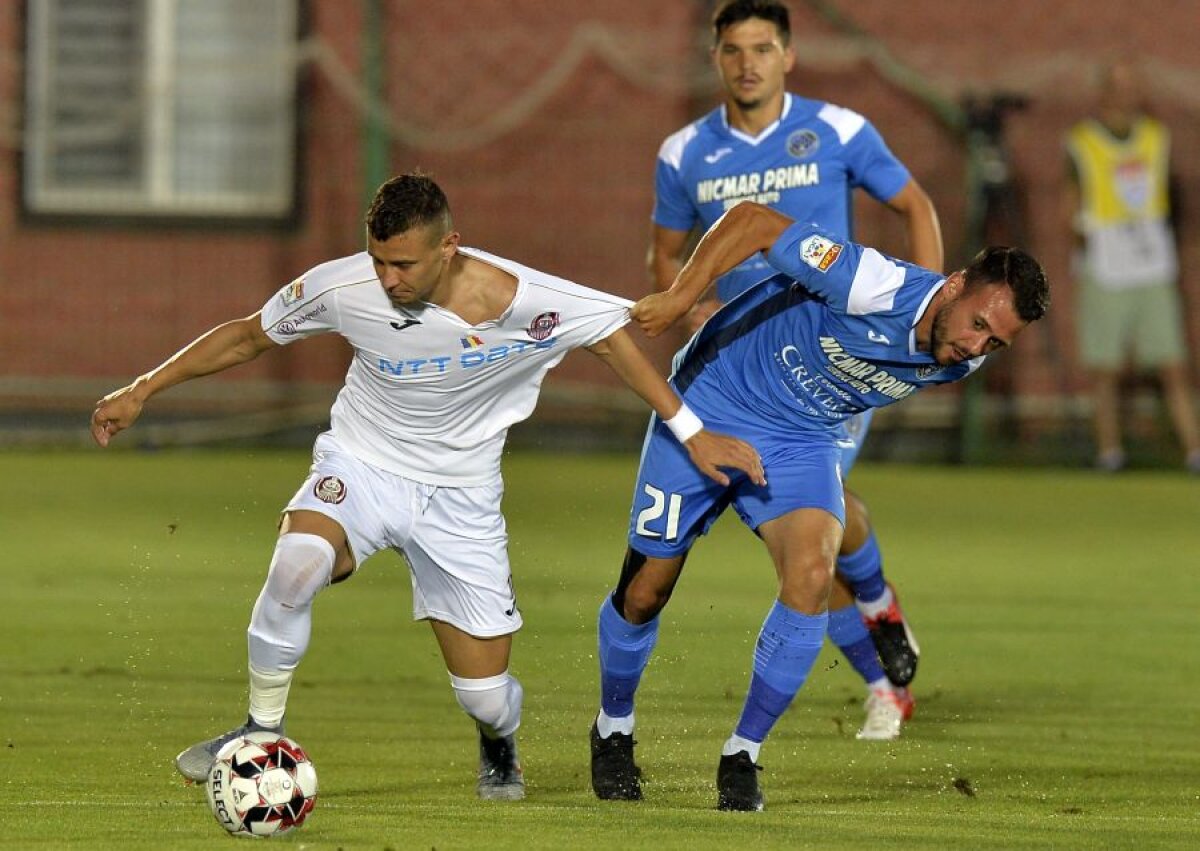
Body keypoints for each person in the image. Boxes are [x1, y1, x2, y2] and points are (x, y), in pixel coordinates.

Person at [89, 172, 764, 801]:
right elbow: (245, 337)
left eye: (404, 264)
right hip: (361, 465)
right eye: (378, 260)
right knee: (296, 566)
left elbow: (614, 337)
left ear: (450, 246)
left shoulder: (522, 300)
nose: (387, 278)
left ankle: (499, 742)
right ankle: (260, 734)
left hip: (460, 497)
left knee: (487, 695)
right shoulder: (342, 287)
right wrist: (142, 388)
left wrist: (693, 431)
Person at [590, 200, 1048, 811]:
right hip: (714, 402)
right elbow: (752, 222)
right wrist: (679, 298)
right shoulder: (870, 282)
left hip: (802, 440)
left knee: (811, 573)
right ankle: (612, 729)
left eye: (996, 340)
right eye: (977, 323)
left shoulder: (959, 362)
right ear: (955, 285)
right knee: (645, 592)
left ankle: (742, 754)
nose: (976, 345)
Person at [645, 0, 940, 741]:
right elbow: (665, 254)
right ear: (715, 58)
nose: (748, 62)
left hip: (834, 362)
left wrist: (921, 304)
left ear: (789, 56)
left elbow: (915, 203)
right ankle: (880, 635)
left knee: (816, 521)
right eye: (734, 49)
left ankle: (879, 649)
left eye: (763, 48)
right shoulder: (684, 153)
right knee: (812, 538)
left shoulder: (837, 130)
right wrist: (690, 305)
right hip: (743, 375)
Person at [1064, 57, 1200, 473]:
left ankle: (1193, 449)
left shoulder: (1156, 138)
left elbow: (1172, 198)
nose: (1125, 94)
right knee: (1104, 366)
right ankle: (1110, 453)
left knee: (1171, 362)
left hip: (1151, 259)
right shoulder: (1082, 141)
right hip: (1105, 259)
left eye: (1131, 85)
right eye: (1117, 85)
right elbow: (1070, 201)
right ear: (1103, 91)